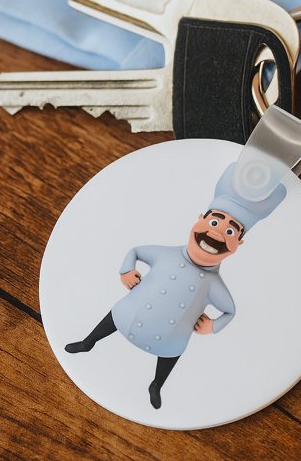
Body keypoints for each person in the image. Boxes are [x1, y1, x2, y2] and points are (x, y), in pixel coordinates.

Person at [65, 162, 287, 409]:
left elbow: (230, 311)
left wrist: (212, 326)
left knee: (169, 354)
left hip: (170, 338)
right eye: (215, 222)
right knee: (115, 317)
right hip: (129, 315)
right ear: (200, 219)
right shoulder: (165, 255)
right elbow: (136, 251)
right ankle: (88, 343)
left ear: (238, 245)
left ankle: (156, 385)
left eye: (231, 232)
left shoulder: (213, 285)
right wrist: (126, 271)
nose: (217, 234)